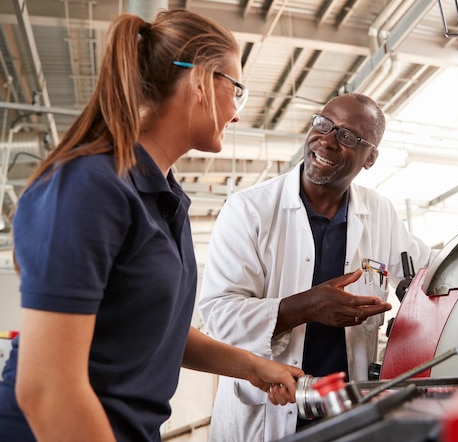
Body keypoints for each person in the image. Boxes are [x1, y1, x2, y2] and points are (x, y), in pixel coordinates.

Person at [0, 9, 303, 442]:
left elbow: (156, 329)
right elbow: (47, 389)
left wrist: (253, 366)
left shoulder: (164, 199)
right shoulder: (89, 187)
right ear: (200, 79)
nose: (236, 114)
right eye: (236, 89)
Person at [197, 92, 432, 441]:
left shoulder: (379, 211)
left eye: (348, 136)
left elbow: (428, 272)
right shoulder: (248, 210)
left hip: (345, 416)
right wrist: (304, 308)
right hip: (267, 415)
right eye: (324, 124)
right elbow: (218, 315)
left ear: (370, 158)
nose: (327, 140)